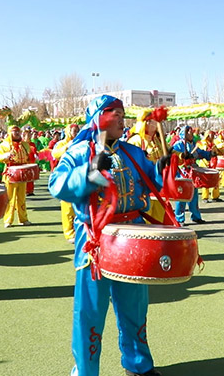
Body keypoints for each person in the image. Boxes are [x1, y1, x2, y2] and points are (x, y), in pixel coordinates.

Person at [48, 94, 167, 376]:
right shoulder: (79, 152)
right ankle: (86, 371)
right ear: (99, 118)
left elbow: (154, 183)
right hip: (96, 239)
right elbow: (57, 185)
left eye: (123, 115)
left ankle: (138, 365)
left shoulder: (132, 152)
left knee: (134, 306)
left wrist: (163, 170)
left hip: (133, 237)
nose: (123, 120)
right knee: (90, 311)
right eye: (117, 114)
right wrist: (90, 172)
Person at [127, 113, 168, 224]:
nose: (154, 123)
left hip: (159, 186)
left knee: (159, 218)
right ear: (145, 123)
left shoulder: (158, 140)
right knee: (145, 218)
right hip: (143, 188)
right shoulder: (135, 141)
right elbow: (129, 164)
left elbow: (170, 154)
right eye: (151, 121)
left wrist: (180, 156)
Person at [0, 125, 32, 228]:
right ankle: (8, 220)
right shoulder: (4, 145)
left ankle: (23, 219)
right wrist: (5, 156)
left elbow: (28, 157)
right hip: (10, 174)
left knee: (22, 197)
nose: (17, 133)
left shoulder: (24, 145)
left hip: (22, 174)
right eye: (14, 131)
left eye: (18, 131)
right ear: (9, 133)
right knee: (9, 198)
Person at [172, 125, 211, 225]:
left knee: (193, 196)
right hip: (182, 173)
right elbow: (172, 155)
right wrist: (182, 156)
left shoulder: (193, 144)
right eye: (189, 131)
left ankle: (196, 216)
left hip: (192, 173)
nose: (192, 133)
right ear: (184, 133)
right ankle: (179, 219)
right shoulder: (178, 144)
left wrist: (210, 154)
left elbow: (200, 153)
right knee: (181, 197)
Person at [52, 123, 80, 242]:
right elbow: (55, 154)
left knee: (79, 205)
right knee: (67, 206)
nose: (76, 133)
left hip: (78, 176)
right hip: (66, 176)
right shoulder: (61, 143)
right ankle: (69, 233)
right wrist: (67, 147)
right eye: (74, 131)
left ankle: (79, 231)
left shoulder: (80, 143)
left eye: (77, 131)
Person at [196, 131, 222, 203]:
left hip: (213, 163)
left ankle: (215, 196)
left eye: (213, 134)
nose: (213, 136)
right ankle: (205, 197)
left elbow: (218, 152)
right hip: (205, 163)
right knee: (205, 180)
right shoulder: (201, 143)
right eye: (211, 134)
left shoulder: (213, 144)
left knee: (216, 179)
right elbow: (201, 152)